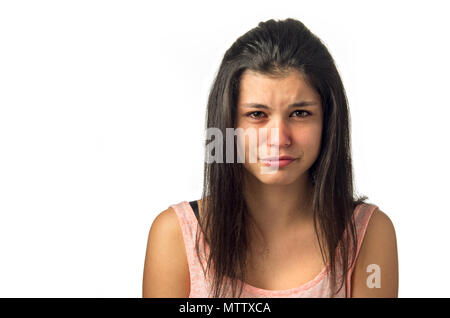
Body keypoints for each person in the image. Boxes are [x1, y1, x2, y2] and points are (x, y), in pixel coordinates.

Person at [142, 18, 398, 298]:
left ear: (328, 122)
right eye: (256, 115)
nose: (279, 138)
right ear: (227, 124)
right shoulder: (175, 236)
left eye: (300, 113)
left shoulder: (370, 234)